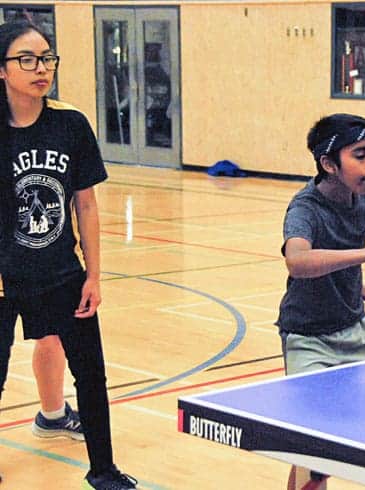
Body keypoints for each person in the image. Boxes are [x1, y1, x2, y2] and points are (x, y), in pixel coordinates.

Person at [0, 20, 136, 489]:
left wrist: (94, 275)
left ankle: (103, 469)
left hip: (62, 275)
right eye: (27, 59)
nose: (41, 68)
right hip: (3, 280)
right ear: (2, 70)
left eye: (47, 58)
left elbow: (86, 203)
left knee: (92, 377)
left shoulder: (70, 124)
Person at [276, 113, 365, 490]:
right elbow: (299, 261)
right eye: (360, 154)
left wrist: (359, 288)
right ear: (328, 163)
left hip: (355, 330)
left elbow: (340, 252)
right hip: (309, 337)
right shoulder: (304, 210)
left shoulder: (363, 196)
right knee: (314, 452)